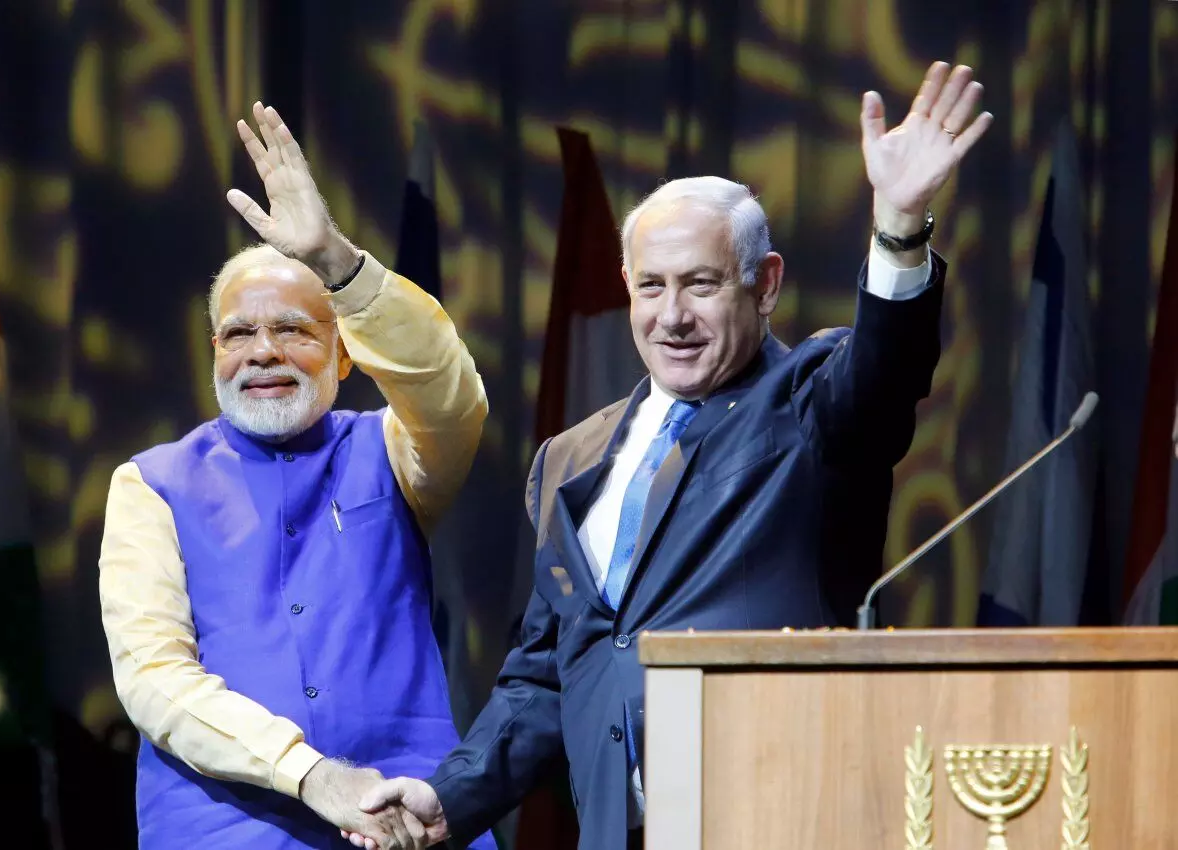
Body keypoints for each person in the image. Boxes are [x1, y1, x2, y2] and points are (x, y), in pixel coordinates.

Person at [344, 61, 993, 850]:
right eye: (651, 286)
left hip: (779, 815)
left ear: (765, 285)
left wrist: (899, 225)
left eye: (701, 284)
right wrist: (448, 798)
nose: (672, 316)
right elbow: (545, 674)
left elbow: (885, 377)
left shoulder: (809, 403)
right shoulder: (567, 459)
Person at [97, 102, 495, 850]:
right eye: (239, 333)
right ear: (214, 353)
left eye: (293, 329)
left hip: (408, 816)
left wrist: (337, 263)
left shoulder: (391, 449)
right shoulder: (150, 484)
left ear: (344, 354)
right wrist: (312, 776)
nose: (263, 352)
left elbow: (453, 399)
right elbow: (155, 678)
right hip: (225, 830)